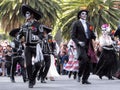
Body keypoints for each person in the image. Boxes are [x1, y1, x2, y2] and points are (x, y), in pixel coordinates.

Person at [17, 4, 43, 88]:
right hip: (27, 47)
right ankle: (31, 81)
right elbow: (19, 35)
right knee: (28, 64)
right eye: (25, 14)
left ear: (32, 15)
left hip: (36, 47)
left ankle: (34, 76)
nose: (26, 15)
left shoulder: (38, 25)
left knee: (38, 65)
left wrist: (36, 37)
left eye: (28, 13)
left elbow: (42, 35)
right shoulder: (24, 25)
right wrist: (18, 37)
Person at [71, 9, 96, 84]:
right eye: (83, 14)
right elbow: (72, 36)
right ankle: (79, 74)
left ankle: (85, 79)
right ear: (79, 15)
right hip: (80, 44)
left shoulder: (89, 24)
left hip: (88, 45)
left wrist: (94, 36)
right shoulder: (76, 23)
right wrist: (78, 42)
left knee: (89, 62)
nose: (84, 15)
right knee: (84, 60)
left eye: (85, 14)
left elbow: (91, 34)